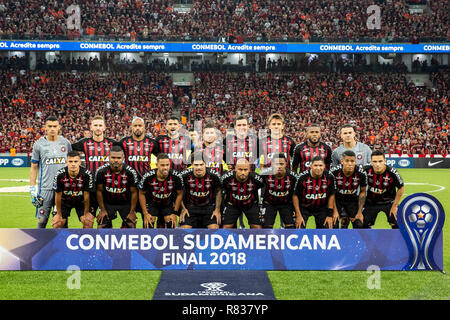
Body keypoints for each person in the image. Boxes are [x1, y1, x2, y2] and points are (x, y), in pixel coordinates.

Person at [30, 115, 72, 228]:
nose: (52, 129)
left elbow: (72, 163)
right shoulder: (38, 144)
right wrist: (32, 190)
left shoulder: (66, 143)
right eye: (50, 126)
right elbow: (34, 167)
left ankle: (62, 245)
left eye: (54, 126)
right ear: (45, 128)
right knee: (42, 220)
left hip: (63, 189)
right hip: (45, 189)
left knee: (62, 221)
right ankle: (39, 245)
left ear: (59, 127)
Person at [71, 115, 117, 218]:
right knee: (88, 220)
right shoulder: (84, 143)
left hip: (107, 188)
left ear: (104, 127)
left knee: (106, 221)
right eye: (95, 125)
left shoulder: (112, 143)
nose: (98, 128)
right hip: (90, 187)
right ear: (91, 127)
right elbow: (68, 148)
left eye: (100, 125)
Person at [119, 116, 160, 227]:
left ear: (144, 128)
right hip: (128, 186)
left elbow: (161, 159)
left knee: (149, 221)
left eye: (140, 125)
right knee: (129, 221)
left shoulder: (152, 143)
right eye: (135, 126)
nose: (137, 128)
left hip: (147, 187)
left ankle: (147, 242)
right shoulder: (123, 142)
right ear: (131, 127)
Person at [95, 145, 139, 228]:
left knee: (131, 224)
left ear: (123, 158)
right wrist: (102, 209)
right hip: (108, 203)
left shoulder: (130, 172)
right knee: (102, 224)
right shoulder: (101, 171)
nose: (116, 160)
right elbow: (99, 191)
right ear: (109, 158)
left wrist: (132, 211)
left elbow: (134, 192)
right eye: (113, 157)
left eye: (118, 158)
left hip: (125, 203)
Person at [138, 153, 184, 228]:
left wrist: (174, 213)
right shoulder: (148, 176)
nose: (165, 167)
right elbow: (141, 193)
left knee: (171, 222)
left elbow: (180, 194)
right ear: (157, 165)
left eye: (167, 165)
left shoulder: (176, 176)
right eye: (162, 165)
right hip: (152, 203)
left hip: (168, 203)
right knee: (149, 223)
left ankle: (168, 238)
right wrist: (145, 213)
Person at [362, 149, 405, 229]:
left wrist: (395, 206)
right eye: (375, 161)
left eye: (380, 161)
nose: (378, 164)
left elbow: (401, 188)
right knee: (362, 224)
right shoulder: (365, 170)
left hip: (389, 202)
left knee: (397, 223)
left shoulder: (392, 172)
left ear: (385, 161)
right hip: (371, 202)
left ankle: (397, 240)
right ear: (371, 161)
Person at [292, 156, 338, 229]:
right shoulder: (302, 177)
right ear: (311, 166)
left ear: (324, 166)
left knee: (329, 225)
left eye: (320, 165)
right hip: (304, 207)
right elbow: (295, 196)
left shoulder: (329, 177)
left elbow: (331, 195)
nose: (318, 168)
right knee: (299, 226)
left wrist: (329, 215)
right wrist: (298, 215)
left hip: (321, 207)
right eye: (315, 165)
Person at [179, 152, 222, 229]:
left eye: (201, 164)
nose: (199, 167)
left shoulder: (214, 175)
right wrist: (183, 208)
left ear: (206, 164)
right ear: (192, 164)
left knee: (214, 229)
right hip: (190, 209)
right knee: (184, 230)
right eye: (196, 165)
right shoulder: (184, 176)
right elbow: (179, 193)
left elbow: (219, 191)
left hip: (208, 208)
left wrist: (217, 209)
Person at [52, 151, 94, 228]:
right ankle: (61, 239)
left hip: (81, 202)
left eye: (76, 161)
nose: (73, 164)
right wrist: (58, 214)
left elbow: (87, 195)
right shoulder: (60, 175)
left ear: (80, 162)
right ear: (66, 162)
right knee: (57, 223)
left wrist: (86, 213)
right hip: (64, 201)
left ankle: (84, 239)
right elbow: (57, 196)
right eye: (70, 161)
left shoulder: (87, 174)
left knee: (88, 222)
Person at [221, 158, 264, 229]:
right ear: (235, 169)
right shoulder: (227, 178)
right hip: (233, 205)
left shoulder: (256, 178)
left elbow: (264, 186)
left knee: (257, 227)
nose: (243, 172)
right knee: (226, 227)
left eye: (245, 170)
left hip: (250, 205)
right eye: (240, 169)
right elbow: (219, 189)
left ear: (249, 170)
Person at [330, 150, 368, 229]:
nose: (350, 164)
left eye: (352, 161)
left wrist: (359, 212)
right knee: (334, 223)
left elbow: (363, 192)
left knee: (359, 223)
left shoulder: (361, 173)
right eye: (347, 161)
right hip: (337, 199)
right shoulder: (334, 172)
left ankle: (355, 241)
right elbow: (331, 193)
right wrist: (335, 211)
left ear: (355, 162)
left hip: (352, 199)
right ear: (342, 162)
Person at [260, 153, 298, 229]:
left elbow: (296, 193)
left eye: (281, 164)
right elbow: (260, 188)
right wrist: (260, 204)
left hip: (286, 203)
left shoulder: (293, 176)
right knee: (266, 227)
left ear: (286, 164)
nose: (279, 166)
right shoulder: (264, 174)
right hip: (269, 203)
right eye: (276, 164)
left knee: (291, 226)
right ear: (272, 164)